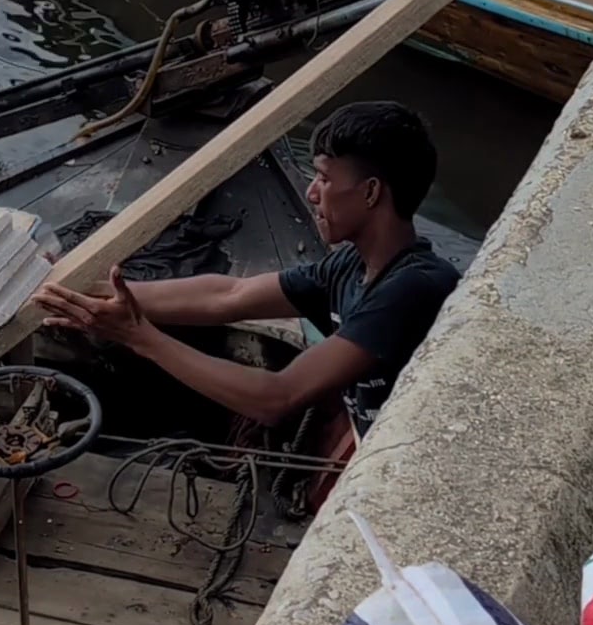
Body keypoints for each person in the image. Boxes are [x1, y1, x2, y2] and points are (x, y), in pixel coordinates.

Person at [34, 101, 459, 438]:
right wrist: (87, 288)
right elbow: (229, 296)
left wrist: (139, 337)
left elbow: (278, 398)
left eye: (325, 179)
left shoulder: (413, 289)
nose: (311, 193)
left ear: (370, 193)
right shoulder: (352, 264)